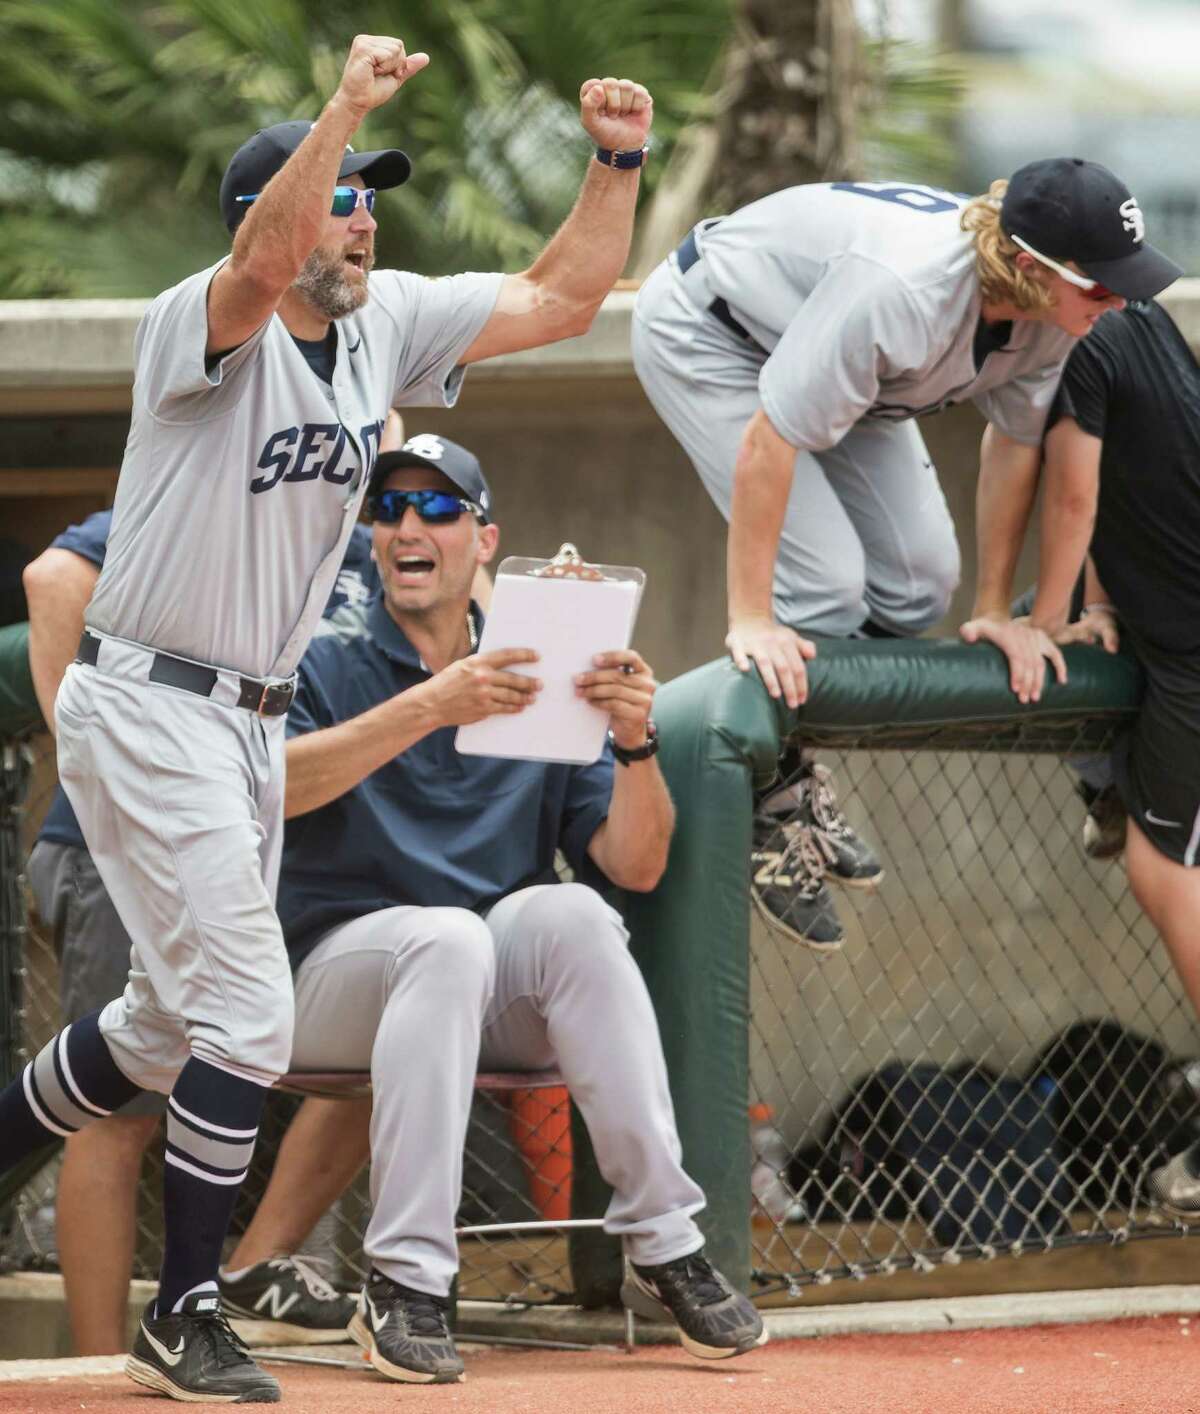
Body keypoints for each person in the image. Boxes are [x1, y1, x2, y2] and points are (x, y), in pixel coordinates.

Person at [0, 34, 653, 1404]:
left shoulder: (388, 321)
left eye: (372, 194)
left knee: (165, 1027)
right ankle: (189, 1310)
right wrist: (342, 109)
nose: (363, 214)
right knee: (247, 1002)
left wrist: (615, 161)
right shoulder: (202, 315)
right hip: (160, 695)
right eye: (342, 193)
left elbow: (560, 294)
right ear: (276, 211)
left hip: (243, 720)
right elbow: (254, 273)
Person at [274, 433, 765, 1383]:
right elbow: (275, 790)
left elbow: (637, 863)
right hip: (321, 980)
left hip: (473, 986)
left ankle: (664, 1242)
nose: (409, 525)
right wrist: (431, 705)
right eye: (390, 510)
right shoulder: (322, 654)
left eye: (439, 509)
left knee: (576, 914)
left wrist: (632, 739)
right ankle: (406, 1281)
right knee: (447, 936)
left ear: (485, 540)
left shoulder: (539, 669)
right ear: (373, 537)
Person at [632, 158, 1180, 950]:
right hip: (715, 333)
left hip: (846, 367)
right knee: (821, 590)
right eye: (1101, 284)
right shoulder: (905, 292)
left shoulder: (1045, 316)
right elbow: (771, 438)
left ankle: (789, 764)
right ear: (1027, 267)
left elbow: (1016, 443)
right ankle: (773, 798)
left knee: (923, 588)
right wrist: (752, 616)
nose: (1121, 300)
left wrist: (999, 610)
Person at [22, 506, 377, 1354]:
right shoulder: (236, 476)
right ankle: (114, 1354)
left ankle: (171, 1329)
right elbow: (52, 580)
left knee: (152, 1038)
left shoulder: (359, 540)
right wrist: (92, 757)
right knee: (131, 1104)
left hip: (230, 810)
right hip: (140, 809)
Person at [1007, 296, 1200, 1215]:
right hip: (1167, 643)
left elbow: (1075, 493)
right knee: (1054, 642)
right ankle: (1108, 790)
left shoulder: (1087, 342)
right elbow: (1119, 498)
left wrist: (1050, 620)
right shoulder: (1148, 335)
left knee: (1162, 873)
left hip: (1192, 655)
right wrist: (1089, 604)